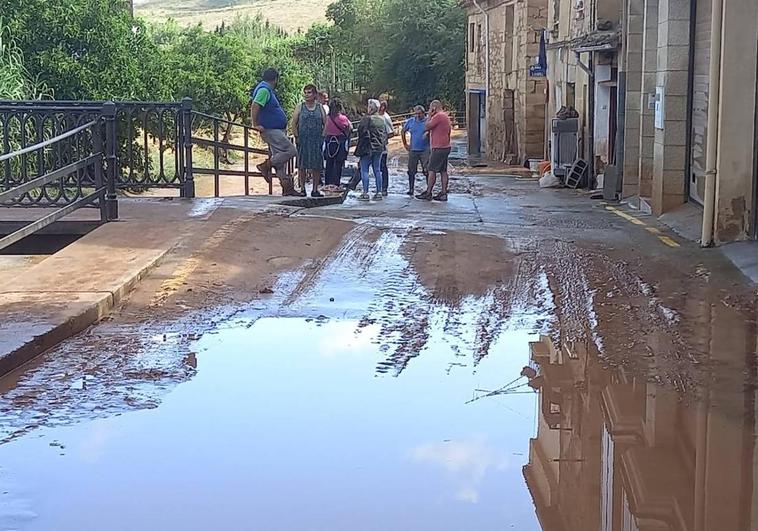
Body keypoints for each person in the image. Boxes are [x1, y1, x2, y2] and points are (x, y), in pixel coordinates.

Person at [250, 68, 298, 196]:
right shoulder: (264, 90)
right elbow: (255, 105)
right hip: (271, 129)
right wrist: (255, 124)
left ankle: (287, 188)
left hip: (273, 129)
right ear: (276, 79)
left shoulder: (265, 89)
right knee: (291, 151)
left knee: (280, 162)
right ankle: (266, 165)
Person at [291, 84, 327, 197]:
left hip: (316, 141)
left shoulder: (320, 107)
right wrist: (296, 136)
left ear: (315, 94)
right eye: (305, 92)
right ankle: (302, 189)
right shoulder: (300, 107)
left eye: (309, 92)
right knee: (302, 166)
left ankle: (315, 189)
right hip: (303, 140)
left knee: (316, 165)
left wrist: (322, 137)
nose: (307, 95)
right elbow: (293, 123)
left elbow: (325, 123)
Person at [416, 100, 452, 202]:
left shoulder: (438, 116)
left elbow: (427, 126)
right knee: (443, 171)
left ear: (434, 108)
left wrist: (430, 115)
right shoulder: (445, 116)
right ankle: (443, 193)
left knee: (431, 170)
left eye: (431, 108)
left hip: (438, 147)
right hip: (445, 146)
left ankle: (428, 192)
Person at [355, 99, 386, 201]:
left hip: (367, 148)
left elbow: (360, 131)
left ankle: (365, 193)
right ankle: (379, 192)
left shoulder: (367, 119)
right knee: (377, 170)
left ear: (371, 108)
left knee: (364, 170)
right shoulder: (382, 119)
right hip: (379, 148)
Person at [323, 98, 352, 187]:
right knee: (338, 164)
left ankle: (327, 183)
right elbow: (350, 128)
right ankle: (336, 183)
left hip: (329, 142)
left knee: (329, 163)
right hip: (340, 142)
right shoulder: (343, 118)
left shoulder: (326, 118)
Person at [401, 105, 430, 196]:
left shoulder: (428, 121)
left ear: (423, 113)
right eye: (416, 113)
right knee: (411, 170)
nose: (417, 115)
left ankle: (429, 189)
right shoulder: (411, 121)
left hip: (425, 149)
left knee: (427, 170)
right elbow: (403, 131)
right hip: (413, 149)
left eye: (419, 114)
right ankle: (411, 188)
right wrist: (405, 143)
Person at [378, 100, 395, 196]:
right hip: (374, 146)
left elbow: (391, 133)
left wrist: (383, 139)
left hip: (382, 147)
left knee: (383, 167)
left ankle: (384, 187)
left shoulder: (386, 118)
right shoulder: (377, 116)